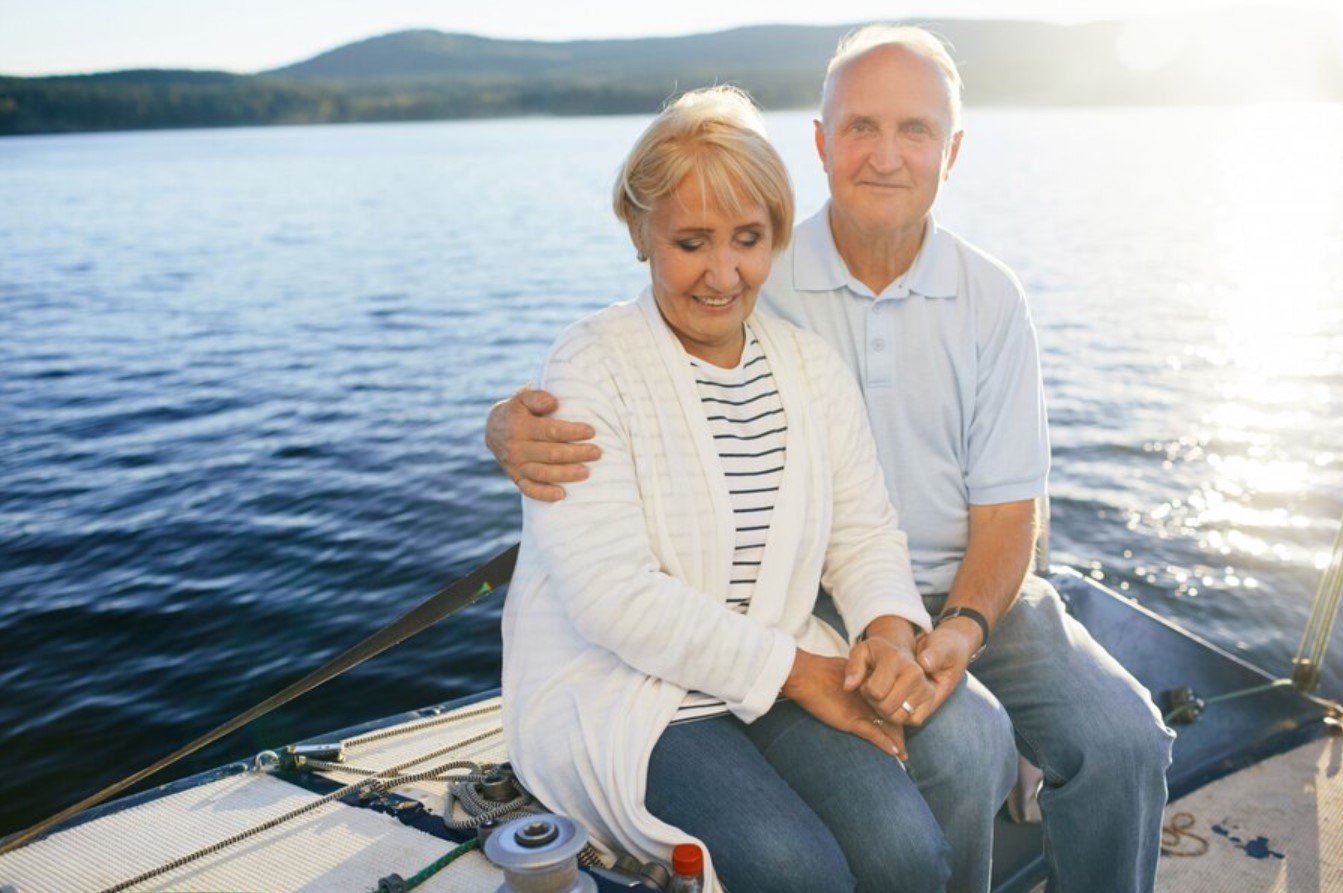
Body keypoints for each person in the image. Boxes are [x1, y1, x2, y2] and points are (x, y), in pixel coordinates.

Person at [489, 24, 1176, 893]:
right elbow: (629, 352)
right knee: (867, 812)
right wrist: (506, 426)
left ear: (951, 150)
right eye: (860, 127)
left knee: (1106, 741)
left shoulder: (981, 300)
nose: (885, 155)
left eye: (914, 130)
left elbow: (975, 518)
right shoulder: (751, 273)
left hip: (950, 602)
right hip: (783, 618)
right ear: (819, 142)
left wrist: (928, 630)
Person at [502, 84, 985, 893]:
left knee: (904, 851)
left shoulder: (808, 366)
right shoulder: (590, 364)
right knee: (793, 869)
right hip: (633, 692)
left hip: (771, 667)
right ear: (639, 230)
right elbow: (610, 595)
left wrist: (888, 635)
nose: (723, 274)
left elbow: (863, 533)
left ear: (775, 237)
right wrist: (806, 676)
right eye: (691, 241)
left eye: (749, 240)